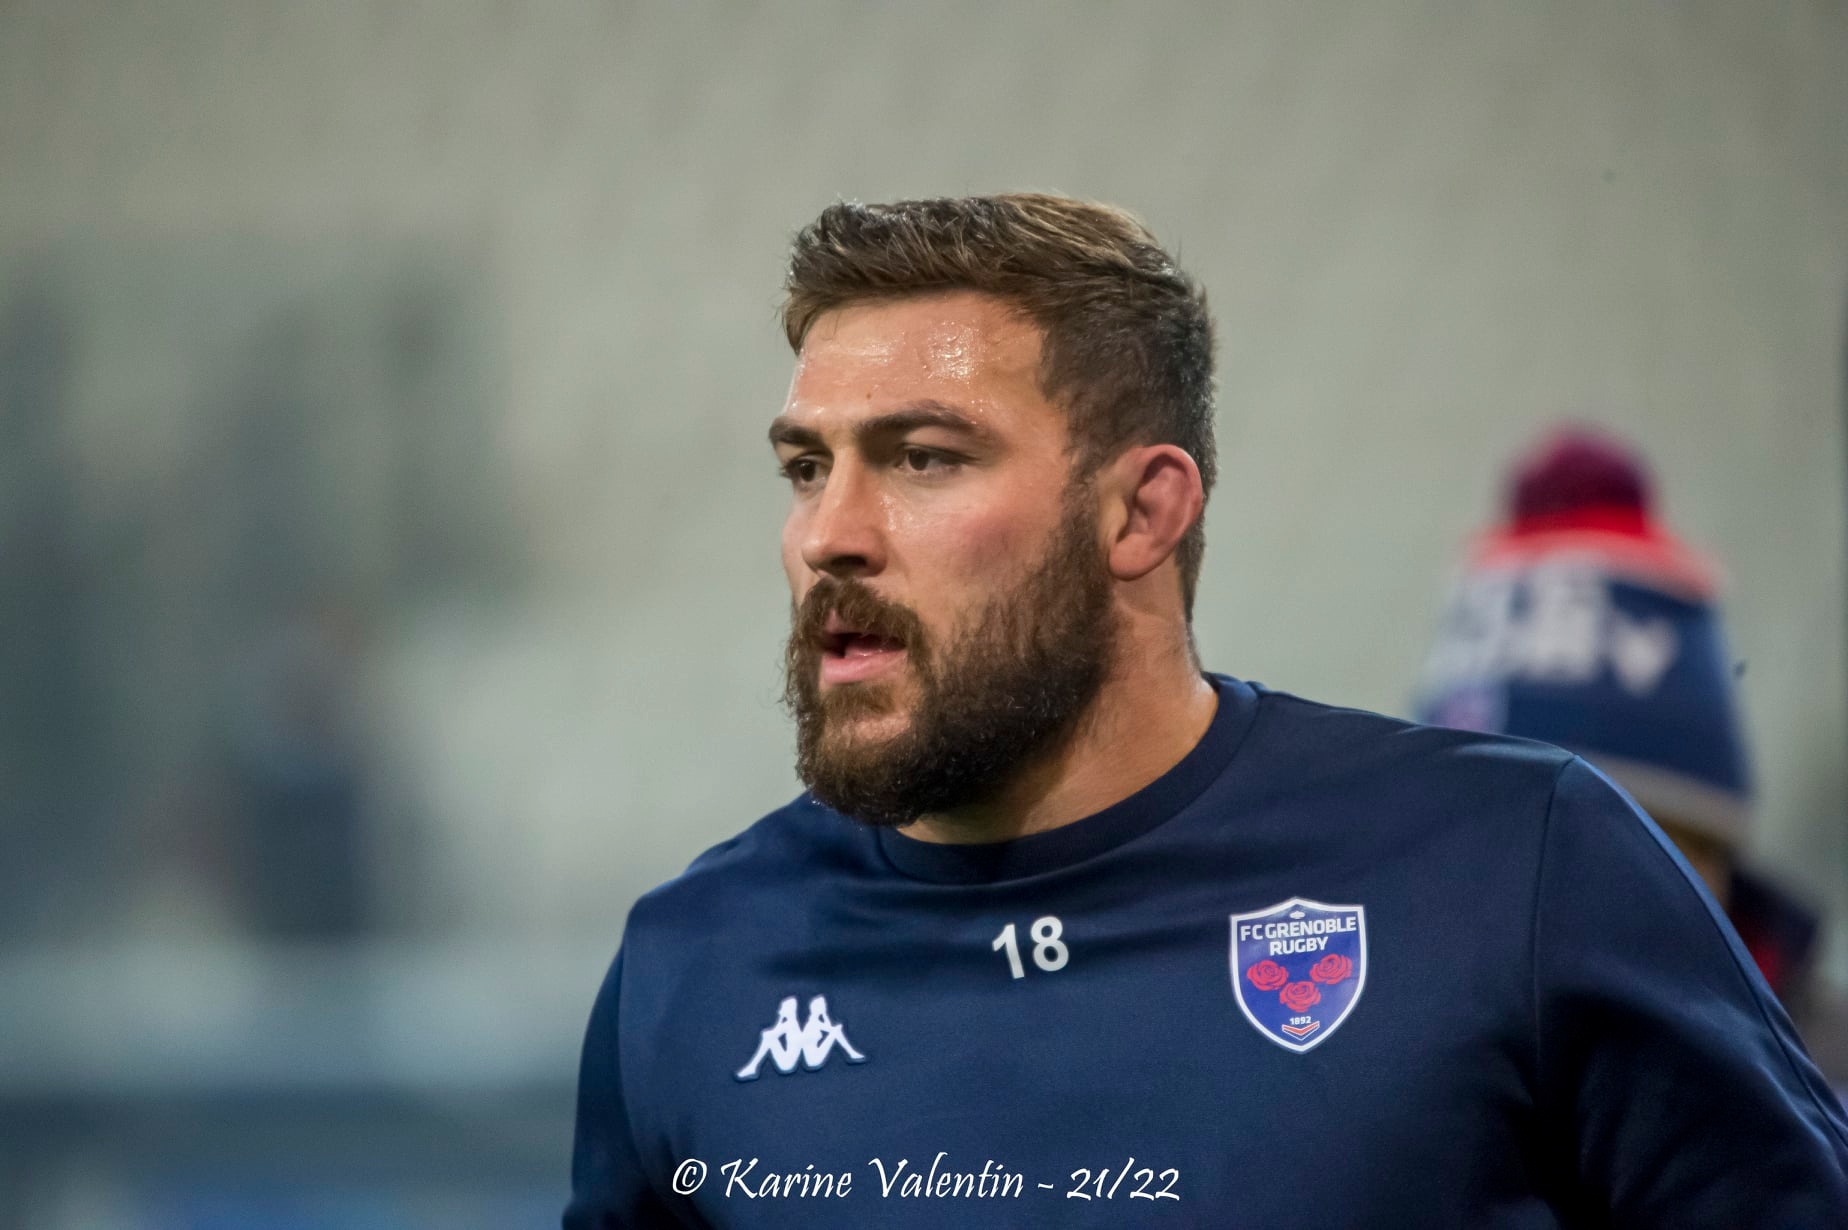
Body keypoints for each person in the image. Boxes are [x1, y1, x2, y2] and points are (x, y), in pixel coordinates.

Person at [565, 194, 1848, 1228]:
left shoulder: (1512, 870)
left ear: (1143, 512)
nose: (828, 536)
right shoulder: (695, 969)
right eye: (806, 468)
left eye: (924, 458)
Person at [1414, 425, 1848, 1092]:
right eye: (1516, 847)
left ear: (1714, 860)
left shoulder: (1820, 1076)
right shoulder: (1379, 1081)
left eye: (1647, 842)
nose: (1581, 902)